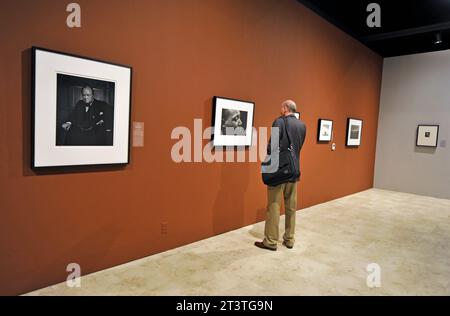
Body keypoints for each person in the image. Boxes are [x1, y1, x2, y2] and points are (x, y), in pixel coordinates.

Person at [255, 100, 307, 251]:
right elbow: (298, 148)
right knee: (291, 207)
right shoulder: (302, 125)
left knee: (274, 206)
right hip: (294, 170)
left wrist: (269, 164)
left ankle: (270, 241)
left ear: (285, 108)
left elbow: (273, 146)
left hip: (279, 171)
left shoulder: (279, 121)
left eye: (281, 107)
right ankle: (289, 239)